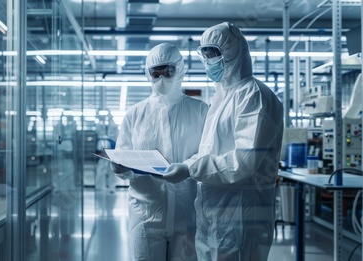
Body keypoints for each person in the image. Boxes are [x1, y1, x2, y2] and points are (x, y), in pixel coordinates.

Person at [162, 22, 284, 261]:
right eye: (204, 55)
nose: (208, 61)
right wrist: (187, 163)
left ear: (233, 52)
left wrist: (190, 168)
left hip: (241, 212)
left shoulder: (253, 95)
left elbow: (243, 162)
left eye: (213, 54)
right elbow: (209, 150)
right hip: (212, 208)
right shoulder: (221, 98)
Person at [111, 42, 209, 261]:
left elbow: (209, 154)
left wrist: (187, 167)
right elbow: (123, 156)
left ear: (180, 69)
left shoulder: (201, 111)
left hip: (187, 215)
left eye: (168, 72)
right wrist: (118, 166)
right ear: (148, 74)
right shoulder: (135, 114)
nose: (162, 78)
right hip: (145, 214)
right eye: (156, 73)